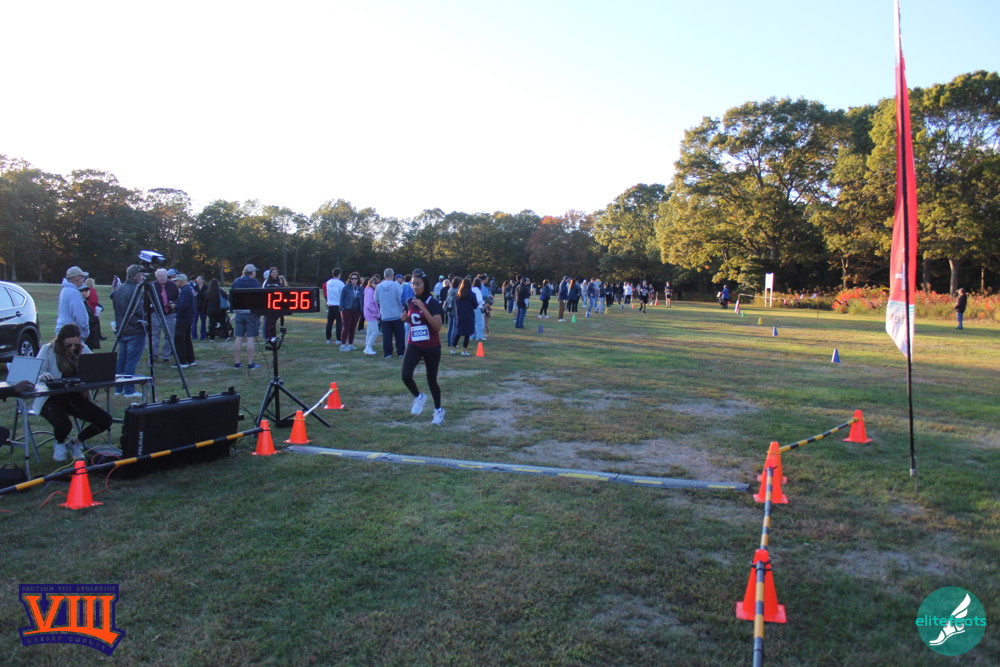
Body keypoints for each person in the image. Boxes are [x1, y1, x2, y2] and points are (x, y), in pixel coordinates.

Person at [35, 324, 114, 461]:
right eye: (68, 345)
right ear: (61, 341)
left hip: (74, 397)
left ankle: (74, 443)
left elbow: (96, 366)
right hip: (50, 398)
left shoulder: (83, 349)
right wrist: (43, 376)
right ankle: (59, 443)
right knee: (64, 424)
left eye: (76, 345)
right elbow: (36, 372)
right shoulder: (48, 350)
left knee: (105, 420)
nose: (72, 348)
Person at [400, 271, 445, 425]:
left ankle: (438, 410)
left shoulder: (433, 302)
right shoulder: (409, 301)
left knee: (431, 380)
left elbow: (437, 327)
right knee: (405, 375)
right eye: (413, 284)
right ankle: (419, 396)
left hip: (431, 346)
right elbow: (414, 320)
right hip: (414, 344)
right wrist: (405, 318)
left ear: (425, 284)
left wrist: (424, 309)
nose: (415, 287)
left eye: (418, 284)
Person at [110, 264, 146, 397]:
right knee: (131, 361)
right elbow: (138, 310)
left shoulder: (120, 288)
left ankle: (118, 388)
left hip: (122, 328)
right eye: (141, 275)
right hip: (134, 329)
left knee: (122, 360)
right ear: (137, 276)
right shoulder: (136, 290)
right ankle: (129, 389)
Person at [231, 264, 261, 369]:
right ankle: (250, 363)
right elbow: (259, 298)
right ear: (252, 273)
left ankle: (237, 363)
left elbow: (232, 297)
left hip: (239, 312)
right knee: (250, 338)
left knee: (238, 337)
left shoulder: (236, 282)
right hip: (251, 313)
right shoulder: (255, 283)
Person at [149, 268, 178, 362]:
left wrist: (173, 303)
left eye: (164, 276)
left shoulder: (173, 285)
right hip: (156, 314)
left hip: (169, 313)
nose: (162, 278)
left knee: (169, 335)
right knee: (155, 336)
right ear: (156, 277)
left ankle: (166, 356)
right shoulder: (152, 286)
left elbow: (177, 297)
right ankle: (153, 355)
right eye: (160, 276)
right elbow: (148, 300)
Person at [375, 268, 405, 359]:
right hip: (397, 315)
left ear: (384, 275)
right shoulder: (396, 285)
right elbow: (401, 299)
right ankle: (401, 352)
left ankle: (387, 353)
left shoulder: (379, 287)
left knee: (387, 336)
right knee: (399, 336)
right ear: (392, 275)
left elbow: (376, 299)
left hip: (385, 315)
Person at [55, 266, 91, 341]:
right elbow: (80, 316)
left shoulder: (65, 290)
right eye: (82, 277)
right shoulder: (73, 293)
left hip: (63, 329)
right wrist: (85, 333)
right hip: (71, 333)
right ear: (77, 278)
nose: (83, 280)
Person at [172, 274, 197, 367]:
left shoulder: (185, 290)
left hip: (183, 318)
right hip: (190, 317)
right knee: (187, 339)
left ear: (181, 281)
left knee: (179, 339)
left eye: (176, 281)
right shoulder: (191, 289)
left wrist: (175, 306)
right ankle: (191, 359)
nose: (175, 283)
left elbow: (184, 305)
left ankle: (182, 361)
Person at [339, 272, 364, 351]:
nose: (354, 280)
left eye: (355, 278)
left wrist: (362, 309)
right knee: (346, 327)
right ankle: (343, 345)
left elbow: (363, 299)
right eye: (352, 278)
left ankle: (350, 344)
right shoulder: (346, 288)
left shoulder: (360, 288)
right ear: (350, 279)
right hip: (347, 309)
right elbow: (342, 298)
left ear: (358, 279)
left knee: (353, 328)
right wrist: (342, 308)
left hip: (357, 310)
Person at [452, 278, 477, 355]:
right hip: (469, 315)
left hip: (460, 315)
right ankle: (464, 350)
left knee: (458, 332)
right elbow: (475, 305)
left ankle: (453, 349)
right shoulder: (472, 294)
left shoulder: (458, 295)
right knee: (467, 334)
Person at [324, 268, 345, 344]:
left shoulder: (328, 282)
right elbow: (342, 294)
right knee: (339, 323)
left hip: (330, 304)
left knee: (329, 323)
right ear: (339, 274)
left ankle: (328, 339)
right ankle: (338, 339)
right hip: (338, 305)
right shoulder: (340, 283)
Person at [362, 276, 381, 355]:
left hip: (369, 313)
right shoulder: (370, 292)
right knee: (375, 331)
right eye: (375, 283)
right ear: (371, 283)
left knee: (369, 331)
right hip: (371, 314)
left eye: (377, 283)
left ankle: (367, 347)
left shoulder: (370, 291)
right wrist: (376, 312)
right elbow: (369, 304)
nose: (376, 285)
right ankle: (368, 347)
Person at [79, 284, 101, 349]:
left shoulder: (85, 302)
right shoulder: (81, 304)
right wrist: (96, 318)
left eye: (86, 290)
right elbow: (84, 320)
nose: (84, 292)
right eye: (82, 291)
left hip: (90, 335)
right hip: (87, 336)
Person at [192, 275, 209, 340]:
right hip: (196, 307)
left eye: (199, 279)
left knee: (203, 322)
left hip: (203, 307)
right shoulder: (194, 287)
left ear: (203, 280)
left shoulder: (206, 287)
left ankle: (203, 336)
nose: (197, 280)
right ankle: (194, 336)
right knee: (194, 322)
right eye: (197, 279)